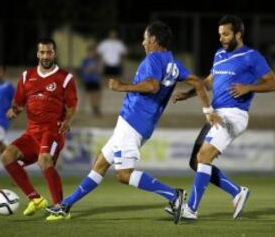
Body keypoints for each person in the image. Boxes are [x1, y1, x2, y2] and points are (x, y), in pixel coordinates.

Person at [46, 21, 222, 223]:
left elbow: (152, 86)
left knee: (123, 174)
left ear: (154, 40)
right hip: (140, 123)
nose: (143, 42)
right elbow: (199, 82)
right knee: (100, 163)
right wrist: (205, 108)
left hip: (133, 121)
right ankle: (66, 205)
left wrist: (122, 86)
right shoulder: (173, 62)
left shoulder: (153, 58)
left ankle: (173, 195)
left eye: (146, 38)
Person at [168, 14, 275, 222]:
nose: (222, 38)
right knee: (196, 161)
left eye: (226, 34)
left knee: (203, 157)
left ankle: (190, 209)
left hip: (234, 115)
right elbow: (209, 82)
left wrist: (249, 87)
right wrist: (188, 94)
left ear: (238, 34)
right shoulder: (219, 54)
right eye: (220, 34)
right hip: (217, 115)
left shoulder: (252, 56)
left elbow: (273, 83)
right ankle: (237, 192)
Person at [1, 38, 78, 216]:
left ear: (54, 53)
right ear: (37, 54)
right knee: (7, 156)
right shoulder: (27, 76)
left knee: (44, 160)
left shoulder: (65, 78)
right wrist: (14, 110)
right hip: (31, 133)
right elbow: (18, 102)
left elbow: (72, 105)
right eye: (42, 52)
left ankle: (60, 208)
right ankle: (35, 199)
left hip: (52, 131)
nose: (45, 55)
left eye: (49, 52)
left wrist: (68, 120)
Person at [80, 45, 102, 117]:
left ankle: (96, 108)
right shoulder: (85, 61)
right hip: (88, 80)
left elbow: (99, 71)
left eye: (94, 52)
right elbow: (83, 71)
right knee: (92, 95)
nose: (93, 53)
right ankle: (94, 109)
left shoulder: (96, 60)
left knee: (97, 94)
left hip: (95, 80)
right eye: (91, 52)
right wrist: (90, 69)